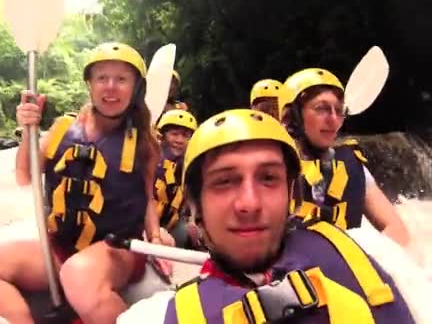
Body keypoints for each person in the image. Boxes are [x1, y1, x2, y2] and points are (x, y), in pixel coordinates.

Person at [118, 109, 415, 323]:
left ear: (291, 195)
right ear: (196, 207)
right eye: (224, 181)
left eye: (269, 178)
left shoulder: (370, 251)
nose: (250, 203)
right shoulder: (152, 318)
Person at [0, 42, 169, 324]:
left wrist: (155, 240)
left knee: (78, 273)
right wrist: (28, 131)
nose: (110, 86)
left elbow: (147, 199)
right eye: (102, 78)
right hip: (63, 246)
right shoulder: (62, 129)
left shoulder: (144, 141)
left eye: (121, 79)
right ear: (90, 85)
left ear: (136, 89)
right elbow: (26, 177)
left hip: (118, 249)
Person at [283, 68, 410, 246]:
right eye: (322, 109)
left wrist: (364, 261)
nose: (334, 119)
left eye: (339, 110)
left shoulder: (351, 165)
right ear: (293, 117)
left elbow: (396, 230)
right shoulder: (273, 167)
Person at [153, 109, 197, 247]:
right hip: (142, 223)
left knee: (185, 234)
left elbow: (192, 201)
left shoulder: (188, 167)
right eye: (174, 134)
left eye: (185, 135)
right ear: (163, 135)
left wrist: (193, 222)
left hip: (170, 224)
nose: (179, 140)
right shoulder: (149, 159)